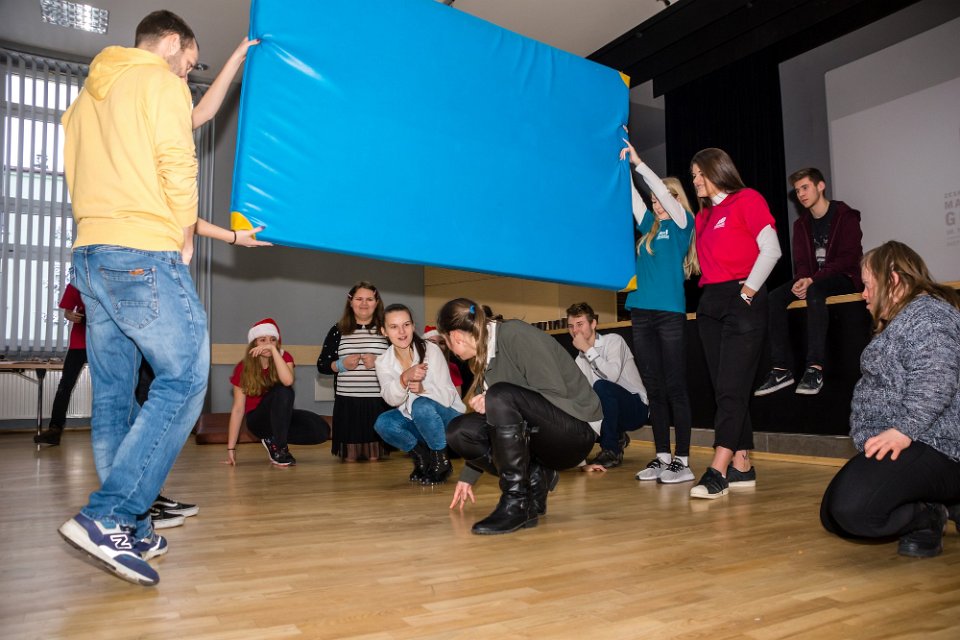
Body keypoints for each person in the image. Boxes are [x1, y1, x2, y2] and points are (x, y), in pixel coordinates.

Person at [56, 10, 210, 586]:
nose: (187, 75)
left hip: (90, 255)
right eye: (189, 63)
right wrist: (185, 236)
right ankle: (111, 515)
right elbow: (179, 163)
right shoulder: (159, 81)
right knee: (186, 377)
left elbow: (76, 178)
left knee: (114, 396)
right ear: (170, 43)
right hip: (142, 250)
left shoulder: (84, 101)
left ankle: (134, 526)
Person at [820, 241, 960, 557]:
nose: (864, 295)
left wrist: (902, 431)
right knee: (833, 515)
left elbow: (936, 381)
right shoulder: (905, 319)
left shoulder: (930, 316)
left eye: (868, 285)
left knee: (852, 509)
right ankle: (936, 504)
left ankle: (928, 515)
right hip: (913, 443)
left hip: (937, 445)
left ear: (893, 280)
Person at [439, 299, 602, 535]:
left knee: (499, 395)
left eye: (445, 341)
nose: (449, 348)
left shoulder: (514, 334)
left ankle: (516, 503)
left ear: (455, 336)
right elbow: (496, 422)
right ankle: (535, 479)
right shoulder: (483, 356)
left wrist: (495, 397)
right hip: (542, 433)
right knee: (459, 431)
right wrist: (468, 476)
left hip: (577, 431)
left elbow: (553, 391)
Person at [689, 148, 782, 499]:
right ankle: (742, 463)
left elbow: (771, 250)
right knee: (727, 389)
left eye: (700, 173)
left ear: (718, 170)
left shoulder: (747, 199)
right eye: (693, 175)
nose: (695, 180)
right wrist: (637, 166)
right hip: (710, 303)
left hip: (743, 297)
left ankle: (718, 469)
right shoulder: (703, 217)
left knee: (731, 387)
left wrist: (747, 293)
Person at [620, 138, 698, 483]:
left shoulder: (682, 224)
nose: (655, 201)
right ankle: (663, 456)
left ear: (675, 198)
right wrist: (622, 164)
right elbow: (633, 197)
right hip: (641, 312)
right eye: (653, 198)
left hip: (669, 315)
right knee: (653, 387)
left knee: (675, 385)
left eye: (661, 196)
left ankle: (683, 460)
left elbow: (663, 194)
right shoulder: (650, 227)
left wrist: (639, 163)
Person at [755, 168, 863, 397]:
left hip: (845, 278)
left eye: (805, 188)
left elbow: (848, 259)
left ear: (820, 186)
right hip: (814, 280)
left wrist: (811, 280)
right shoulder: (801, 224)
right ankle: (781, 369)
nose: (801, 194)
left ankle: (814, 368)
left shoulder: (846, 216)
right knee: (774, 297)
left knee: (815, 290)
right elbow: (802, 262)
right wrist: (803, 279)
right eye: (797, 191)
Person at [374, 305, 465, 484]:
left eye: (406, 325)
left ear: (413, 326)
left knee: (421, 404)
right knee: (383, 423)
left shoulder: (431, 350)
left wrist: (424, 390)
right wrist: (403, 379)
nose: (402, 332)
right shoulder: (382, 362)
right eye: (394, 327)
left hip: (448, 419)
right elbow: (391, 399)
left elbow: (449, 395)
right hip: (417, 420)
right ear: (384, 331)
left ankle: (442, 461)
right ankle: (422, 458)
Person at [223, 318, 329, 467]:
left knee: (321, 429)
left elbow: (288, 380)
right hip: (258, 421)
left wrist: (274, 351)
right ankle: (280, 448)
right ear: (254, 343)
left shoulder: (285, 357)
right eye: (263, 340)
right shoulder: (243, 367)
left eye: (273, 340)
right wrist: (231, 448)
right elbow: (238, 409)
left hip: (279, 418)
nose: (268, 344)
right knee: (282, 391)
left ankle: (274, 440)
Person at [566, 302, 648, 470]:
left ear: (593, 324)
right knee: (577, 402)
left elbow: (611, 376)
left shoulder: (614, 341)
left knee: (602, 386)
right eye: (571, 326)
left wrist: (587, 349)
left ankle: (611, 450)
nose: (575, 331)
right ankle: (616, 435)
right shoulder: (579, 360)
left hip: (636, 408)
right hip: (610, 411)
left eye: (580, 324)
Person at [317, 281, 390, 461]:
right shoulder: (338, 330)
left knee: (374, 460)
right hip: (347, 404)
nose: (364, 303)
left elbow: (401, 363)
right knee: (349, 459)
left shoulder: (387, 330)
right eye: (359, 299)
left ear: (377, 303)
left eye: (369, 299)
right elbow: (322, 364)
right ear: (350, 302)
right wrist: (341, 365)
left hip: (378, 403)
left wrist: (379, 362)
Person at [34, 284, 86, 446]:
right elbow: (67, 312)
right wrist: (70, 315)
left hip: (103, 342)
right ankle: (55, 430)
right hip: (79, 342)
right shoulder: (76, 282)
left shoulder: (109, 278)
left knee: (108, 387)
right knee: (65, 386)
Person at [423, 325, 464, 395]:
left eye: (442, 343)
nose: (437, 346)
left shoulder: (452, 368)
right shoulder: (417, 367)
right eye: (433, 342)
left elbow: (458, 397)